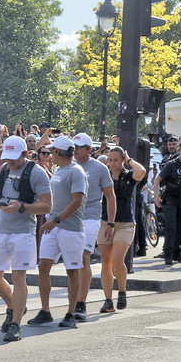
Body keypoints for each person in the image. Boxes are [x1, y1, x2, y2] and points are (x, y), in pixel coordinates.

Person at [0, 136, 52, 341]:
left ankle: (15, 325)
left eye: (14, 157)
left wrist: (22, 207)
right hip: (0, 230)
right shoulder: (2, 168)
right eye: (7, 156)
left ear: (25, 154)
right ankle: (14, 306)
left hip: (23, 231)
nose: (10, 161)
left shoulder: (37, 173)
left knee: (18, 277)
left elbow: (47, 205)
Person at [27, 136, 88, 329]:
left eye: (52, 151)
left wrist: (56, 220)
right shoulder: (59, 170)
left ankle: (70, 313)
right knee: (43, 267)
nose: (50, 154)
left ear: (59, 152)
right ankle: (45, 311)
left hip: (70, 229)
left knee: (72, 271)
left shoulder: (76, 172)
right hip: (53, 226)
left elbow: (77, 202)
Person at [72, 133, 116, 320]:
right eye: (73, 147)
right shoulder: (68, 166)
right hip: (68, 218)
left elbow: (110, 196)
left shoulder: (99, 168)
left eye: (79, 147)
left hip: (90, 217)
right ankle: (72, 303)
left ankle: (81, 303)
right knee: (71, 261)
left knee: (84, 258)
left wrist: (110, 223)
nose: (75, 150)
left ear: (89, 149)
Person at [98, 147, 146, 312]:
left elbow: (141, 171)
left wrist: (129, 158)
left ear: (122, 160)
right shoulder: (104, 176)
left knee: (117, 260)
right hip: (105, 222)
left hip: (125, 223)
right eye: (110, 160)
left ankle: (122, 291)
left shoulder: (128, 176)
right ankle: (108, 300)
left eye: (116, 160)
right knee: (106, 262)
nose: (112, 163)